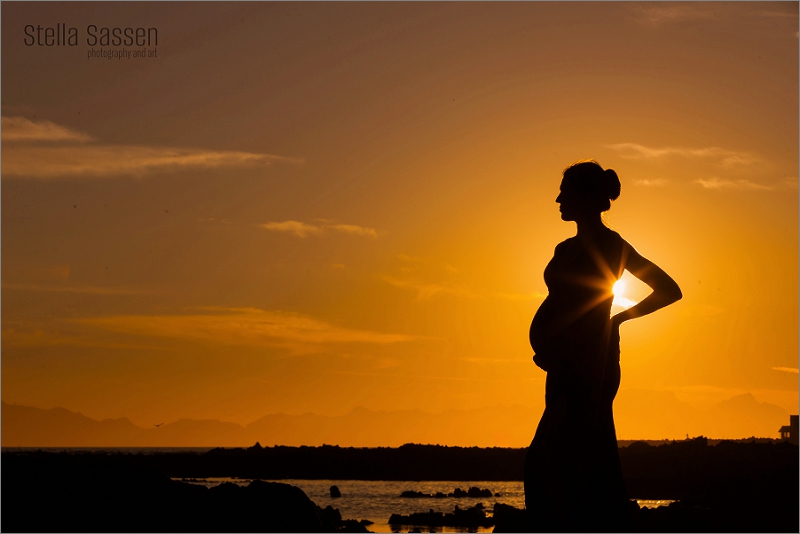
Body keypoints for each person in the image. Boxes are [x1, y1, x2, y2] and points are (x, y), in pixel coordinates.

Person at [524, 160, 682, 532]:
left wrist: (620, 318)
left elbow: (669, 289)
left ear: (587, 196)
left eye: (566, 191)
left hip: (590, 364)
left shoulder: (612, 245)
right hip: (561, 365)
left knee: (552, 459)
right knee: (572, 459)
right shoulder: (563, 248)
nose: (558, 198)